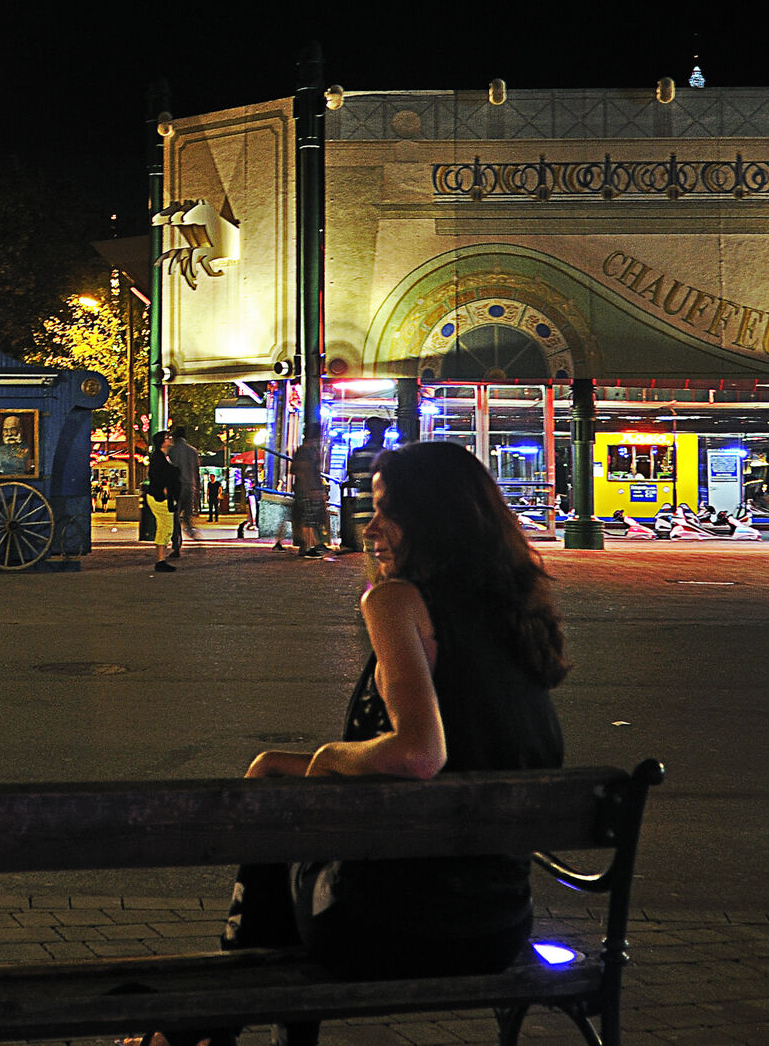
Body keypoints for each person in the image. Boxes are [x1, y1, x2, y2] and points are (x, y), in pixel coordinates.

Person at [168, 441, 567, 1046]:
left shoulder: (396, 601)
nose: (370, 527)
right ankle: (207, 1025)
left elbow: (418, 753)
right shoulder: (517, 614)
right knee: (276, 770)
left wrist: (331, 757)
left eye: (387, 511)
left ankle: (208, 1025)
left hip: (394, 924)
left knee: (278, 793)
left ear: (433, 520)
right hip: (499, 924)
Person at [340, 416, 390, 555]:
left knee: (369, 552)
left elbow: (351, 477)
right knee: (384, 553)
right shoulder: (385, 455)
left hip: (361, 509)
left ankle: (373, 577)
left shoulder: (357, 453)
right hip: (382, 512)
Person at [145, 430, 180, 572]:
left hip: (163, 497)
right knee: (165, 527)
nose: (170, 439)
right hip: (160, 498)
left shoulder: (164, 457)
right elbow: (157, 477)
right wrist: (165, 492)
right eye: (167, 438)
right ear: (162, 442)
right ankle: (160, 560)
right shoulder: (158, 458)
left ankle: (161, 559)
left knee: (166, 527)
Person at [289, 437, 329, 558]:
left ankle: (309, 545)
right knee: (309, 519)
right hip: (307, 489)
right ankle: (310, 546)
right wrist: (311, 489)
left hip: (307, 489)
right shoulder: (307, 452)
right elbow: (303, 471)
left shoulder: (307, 451)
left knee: (310, 518)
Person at [167, 425, 203, 545]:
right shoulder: (193, 451)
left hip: (176, 487)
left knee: (175, 515)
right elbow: (196, 472)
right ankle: (191, 531)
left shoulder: (171, 451)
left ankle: (177, 542)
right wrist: (197, 488)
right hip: (190, 486)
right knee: (187, 515)